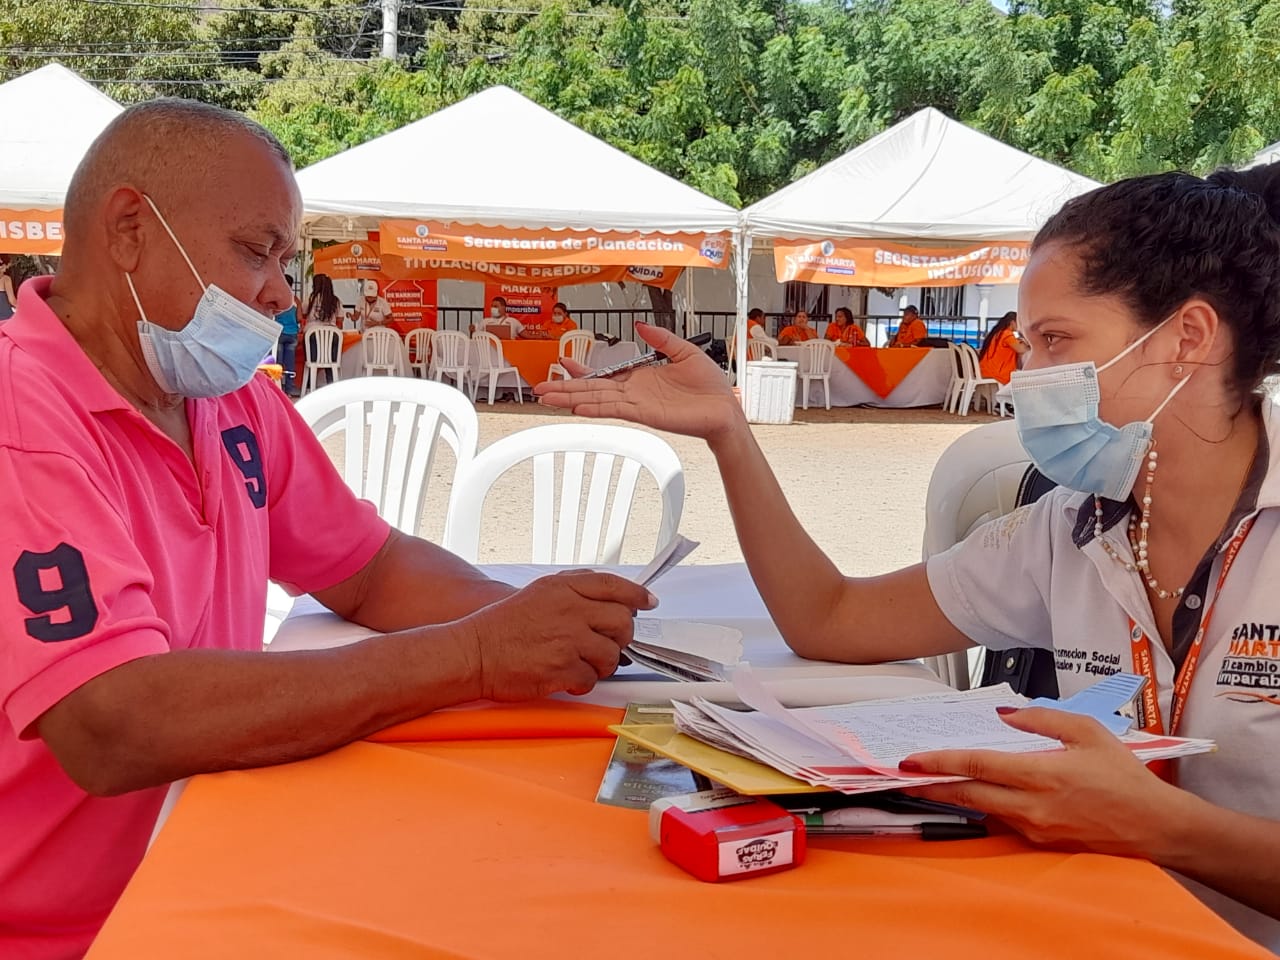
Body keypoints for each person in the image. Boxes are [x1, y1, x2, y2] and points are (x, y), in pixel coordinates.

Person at [537, 165, 1280, 951]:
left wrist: (1156, 825)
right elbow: (832, 619)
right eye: (1028, 344)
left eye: (1056, 341)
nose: (1024, 377)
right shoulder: (1066, 530)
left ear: (1188, 338)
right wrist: (729, 432)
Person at [0, 99, 653, 960]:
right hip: (68, 934)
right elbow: (112, 722)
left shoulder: (228, 400)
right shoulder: (23, 416)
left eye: (286, 261)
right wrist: (475, 654)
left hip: (203, 860)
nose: (279, 293)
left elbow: (368, 568)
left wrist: (536, 619)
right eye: (255, 251)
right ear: (129, 229)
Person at [301, 272, 342, 388]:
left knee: (311, 363)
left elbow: (303, 314)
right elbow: (340, 320)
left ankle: (310, 386)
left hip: (312, 335)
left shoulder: (310, 299)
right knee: (331, 363)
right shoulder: (336, 301)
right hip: (333, 335)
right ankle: (332, 385)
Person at [978, 310, 1029, 384]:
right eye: (1019, 323)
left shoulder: (998, 334)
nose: (1020, 326)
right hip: (996, 374)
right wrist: (1031, 345)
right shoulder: (1007, 334)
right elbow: (1021, 349)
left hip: (985, 371)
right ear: (1012, 322)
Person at [273, 274, 301, 396]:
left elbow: (273, 315)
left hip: (279, 333)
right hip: (292, 334)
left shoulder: (277, 298)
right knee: (290, 363)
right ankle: (289, 389)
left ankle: (277, 388)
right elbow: (299, 318)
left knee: (278, 363)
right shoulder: (296, 300)